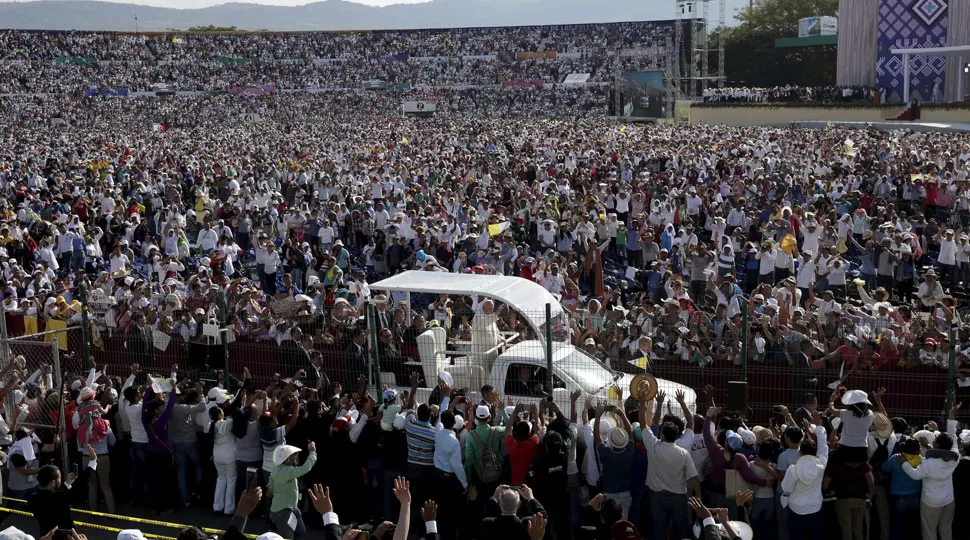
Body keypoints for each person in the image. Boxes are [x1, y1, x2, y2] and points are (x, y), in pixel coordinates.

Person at [640, 391, 702, 540]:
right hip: (678, 496)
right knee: (681, 529)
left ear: (661, 435)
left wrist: (643, 402)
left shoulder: (653, 446)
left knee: (658, 528)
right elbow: (694, 476)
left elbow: (644, 424)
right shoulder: (683, 452)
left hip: (656, 496)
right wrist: (698, 494)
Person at [899, 404, 961, 540]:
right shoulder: (954, 457)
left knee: (929, 533)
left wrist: (904, 462)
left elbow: (915, 474)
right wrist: (951, 415)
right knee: (946, 531)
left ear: (936, 445)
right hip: (949, 501)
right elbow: (952, 436)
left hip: (930, 503)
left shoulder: (928, 462)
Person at [780, 412, 828, 540]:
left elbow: (786, 488)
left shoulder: (793, 470)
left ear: (800, 452)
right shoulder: (821, 464)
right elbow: (823, 447)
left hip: (796, 509)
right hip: (815, 507)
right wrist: (819, 427)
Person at [28, 445, 96, 535]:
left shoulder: (33, 498)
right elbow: (82, 485)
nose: (61, 480)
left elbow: (56, 496)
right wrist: (93, 461)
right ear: (53, 483)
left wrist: (67, 484)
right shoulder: (60, 498)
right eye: (59, 478)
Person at [267, 442, 318, 539]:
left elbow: (270, 491)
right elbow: (306, 468)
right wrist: (312, 452)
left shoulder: (277, 469)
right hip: (283, 513)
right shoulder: (287, 472)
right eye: (294, 456)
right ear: (287, 459)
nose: (296, 457)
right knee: (288, 538)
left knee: (301, 533)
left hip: (292, 508)